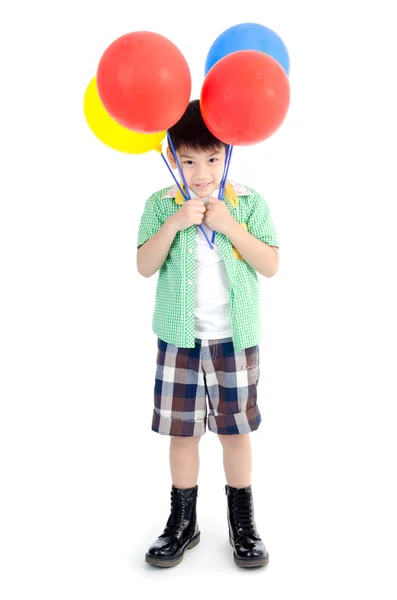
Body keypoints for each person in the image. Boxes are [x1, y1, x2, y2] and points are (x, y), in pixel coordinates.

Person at [136, 99, 279, 568]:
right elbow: (143, 265)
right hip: (180, 341)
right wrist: (178, 221)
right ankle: (184, 521)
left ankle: (243, 522)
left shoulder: (249, 203)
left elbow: (271, 264)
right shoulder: (160, 206)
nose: (202, 172)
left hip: (234, 342)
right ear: (172, 156)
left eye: (213, 158)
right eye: (189, 159)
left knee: (235, 433)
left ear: (228, 151)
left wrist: (229, 225)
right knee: (182, 435)